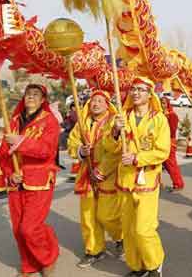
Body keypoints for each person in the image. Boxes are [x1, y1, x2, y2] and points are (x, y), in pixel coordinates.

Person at [0, 84, 60, 277]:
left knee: (29, 228)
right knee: (18, 229)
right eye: (28, 94)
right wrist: (9, 173)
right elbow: (2, 154)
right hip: (16, 181)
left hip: (39, 179)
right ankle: (29, 265)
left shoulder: (50, 122)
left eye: (36, 95)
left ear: (43, 100)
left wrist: (21, 142)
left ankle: (47, 257)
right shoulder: (13, 121)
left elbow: (47, 151)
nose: (31, 97)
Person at [111, 77, 169, 277]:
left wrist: (137, 158)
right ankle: (137, 266)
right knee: (128, 228)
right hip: (125, 180)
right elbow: (109, 147)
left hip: (147, 180)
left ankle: (154, 264)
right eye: (133, 89)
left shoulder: (159, 119)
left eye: (141, 90)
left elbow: (163, 152)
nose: (136, 93)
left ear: (149, 94)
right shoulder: (121, 116)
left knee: (144, 229)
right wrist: (115, 131)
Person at [67, 90, 124, 268]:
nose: (95, 104)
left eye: (100, 101)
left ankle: (120, 236)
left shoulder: (115, 122)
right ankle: (94, 250)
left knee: (108, 215)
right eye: (93, 101)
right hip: (87, 173)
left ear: (107, 104)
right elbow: (72, 142)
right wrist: (79, 151)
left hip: (109, 174)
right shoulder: (82, 124)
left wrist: (102, 170)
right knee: (88, 215)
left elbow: (118, 149)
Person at [161, 97, 184, 192]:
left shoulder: (172, 115)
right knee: (161, 163)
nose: (162, 105)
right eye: (161, 103)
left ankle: (178, 183)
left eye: (164, 103)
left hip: (169, 141)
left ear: (168, 104)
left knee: (171, 163)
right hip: (160, 141)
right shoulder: (159, 114)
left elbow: (172, 130)